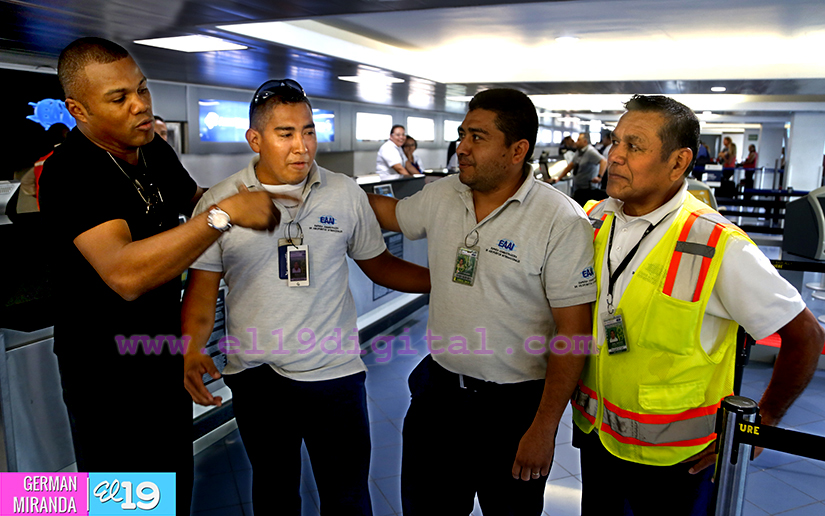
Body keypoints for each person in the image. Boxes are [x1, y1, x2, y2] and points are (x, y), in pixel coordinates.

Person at [38, 37, 282, 515]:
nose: (140, 106)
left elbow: (199, 201)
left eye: (142, 90)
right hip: (105, 374)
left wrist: (272, 189)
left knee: (171, 489)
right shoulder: (71, 172)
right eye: (119, 98)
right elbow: (126, 273)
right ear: (78, 110)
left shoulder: (152, 152)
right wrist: (225, 215)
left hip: (160, 352)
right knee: (126, 502)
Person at [181, 79, 431, 516]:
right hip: (257, 376)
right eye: (286, 134)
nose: (302, 146)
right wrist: (190, 349)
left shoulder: (344, 192)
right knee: (275, 493)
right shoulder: (221, 203)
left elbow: (380, 265)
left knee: (348, 497)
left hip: (334, 374)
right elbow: (202, 291)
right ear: (255, 140)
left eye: (309, 131)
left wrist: (442, 281)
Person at [573, 94, 825, 516]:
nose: (614, 156)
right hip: (596, 436)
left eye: (633, 146)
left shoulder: (717, 245)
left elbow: (806, 335)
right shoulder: (597, 218)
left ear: (678, 162)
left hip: (678, 462)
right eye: (614, 142)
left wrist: (762, 423)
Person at [368, 88, 597, 515]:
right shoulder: (444, 194)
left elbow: (574, 333)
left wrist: (544, 428)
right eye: (462, 135)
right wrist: (327, 191)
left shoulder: (559, 220)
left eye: (477, 137)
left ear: (517, 150)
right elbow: (392, 214)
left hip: (513, 409)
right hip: (439, 397)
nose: (463, 149)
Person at [551, 133, 608, 206]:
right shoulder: (579, 151)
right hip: (578, 188)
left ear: (585, 142)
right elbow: (571, 165)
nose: (576, 142)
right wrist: (559, 178)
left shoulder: (590, 151)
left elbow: (604, 161)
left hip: (588, 190)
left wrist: (599, 177)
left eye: (578, 140)